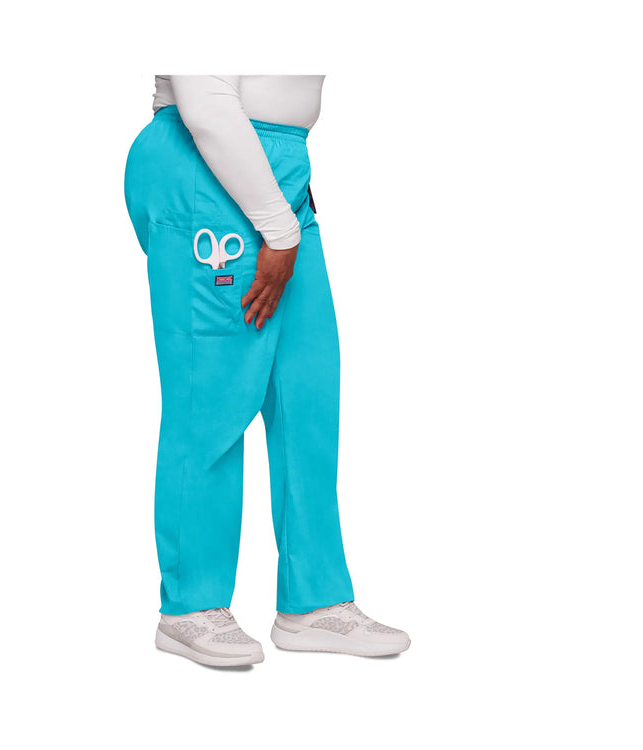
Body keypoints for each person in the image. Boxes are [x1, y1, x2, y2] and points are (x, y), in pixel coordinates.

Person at [123, 75, 410, 667]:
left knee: (307, 394)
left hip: (275, 172)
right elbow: (205, 99)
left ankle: (314, 601)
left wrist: (283, 196)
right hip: (211, 158)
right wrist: (277, 223)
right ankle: (191, 606)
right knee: (210, 398)